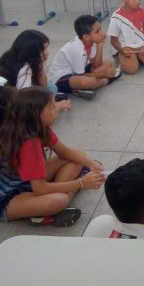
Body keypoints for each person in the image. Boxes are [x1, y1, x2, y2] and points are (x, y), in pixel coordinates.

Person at [0, 87, 105, 227]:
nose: (57, 109)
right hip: (8, 195)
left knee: (78, 155)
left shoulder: (38, 127)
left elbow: (64, 152)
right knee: (59, 200)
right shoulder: (29, 143)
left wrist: (91, 164)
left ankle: (51, 202)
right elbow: (39, 189)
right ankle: (43, 212)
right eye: (52, 107)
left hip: (24, 180)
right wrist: (80, 183)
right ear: (36, 114)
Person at [48, 15, 120, 101]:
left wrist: (100, 45)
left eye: (100, 29)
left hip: (78, 69)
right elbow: (80, 75)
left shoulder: (89, 42)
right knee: (89, 81)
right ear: (86, 37)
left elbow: (96, 65)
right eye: (97, 31)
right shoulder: (77, 49)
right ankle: (105, 81)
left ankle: (78, 89)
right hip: (61, 78)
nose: (102, 33)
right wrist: (103, 73)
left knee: (107, 63)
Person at [0, 30, 71, 111]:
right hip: (15, 102)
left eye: (46, 48)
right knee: (49, 93)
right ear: (31, 53)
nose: (47, 53)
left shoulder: (11, 56)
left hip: (13, 92)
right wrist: (56, 106)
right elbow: (24, 100)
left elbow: (43, 84)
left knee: (52, 87)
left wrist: (40, 65)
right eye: (42, 50)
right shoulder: (25, 70)